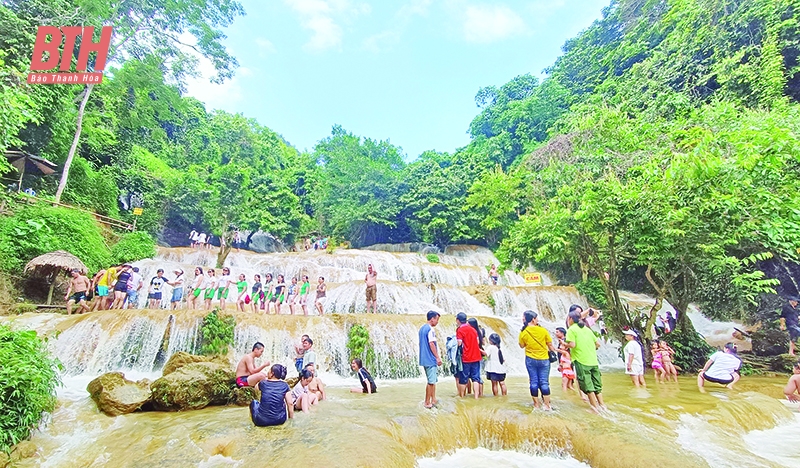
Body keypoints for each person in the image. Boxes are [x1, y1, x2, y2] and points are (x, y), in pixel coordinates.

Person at [565, 306, 606, 413]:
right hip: (593, 360)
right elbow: (597, 344)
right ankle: (602, 405)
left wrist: (564, 344)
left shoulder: (571, 330)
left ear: (570, 319)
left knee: (587, 385)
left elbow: (572, 345)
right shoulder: (587, 330)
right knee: (597, 384)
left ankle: (594, 407)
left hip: (581, 361)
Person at [518, 310, 557, 410]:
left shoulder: (524, 332)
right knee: (544, 382)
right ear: (533, 319)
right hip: (544, 359)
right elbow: (550, 344)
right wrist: (556, 354)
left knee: (533, 382)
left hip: (530, 359)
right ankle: (547, 405)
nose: (537, 320)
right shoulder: (543, 330)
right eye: (536, 318)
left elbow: (522, 346)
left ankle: (536, 405)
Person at [456, 312, 484, 399]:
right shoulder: (473, 330)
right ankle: (476, 397)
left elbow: (459, 343)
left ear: (458, 320)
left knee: (463, 379)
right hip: (476, 356)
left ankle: (462, 397)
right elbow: (478, 342)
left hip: (466, 357)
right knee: (476, 378)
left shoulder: (459, 330)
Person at [419, 310, 442, 408]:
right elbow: (431, 343)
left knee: (432, 379)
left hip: (424, 358)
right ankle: (427, 402)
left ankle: (434, 398)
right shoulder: (430, 330)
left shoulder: (422, 329)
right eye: (437, 319)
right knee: (431, 382)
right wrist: (437, 357)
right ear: (432, 319)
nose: (437, 322)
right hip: (430, 359)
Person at [555, 327, 576, 391]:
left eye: (557, 332)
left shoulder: (565, 341)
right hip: (566, 364)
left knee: (566, 384)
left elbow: (563, 352)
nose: (556, 334)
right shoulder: (563, 341)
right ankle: (574, 396)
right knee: (569, 384)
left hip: (566, 364)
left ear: (562, 333)